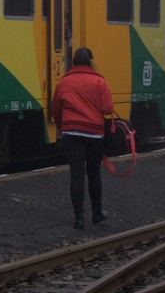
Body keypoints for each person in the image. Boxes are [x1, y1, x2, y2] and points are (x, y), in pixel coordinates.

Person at [49, 47, 116, 230]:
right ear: (91, 61)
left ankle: (79, 219)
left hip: (71, 133)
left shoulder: (64, 82)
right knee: (93, 172)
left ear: (74, 62)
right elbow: (107, 108)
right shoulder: (99, 81)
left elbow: (55, 109)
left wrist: (63, 126)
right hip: (94, 133)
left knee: (76, 174)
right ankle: (97, 213)